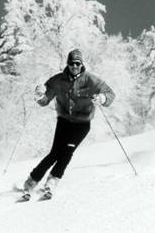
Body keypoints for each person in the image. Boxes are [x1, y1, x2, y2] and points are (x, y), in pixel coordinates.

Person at [23, 49, 115, 197]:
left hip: (82, 123)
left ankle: (52, 182)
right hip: (64, 120)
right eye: (71, 63)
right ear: (67, 64)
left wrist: (102, 98)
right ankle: (31, 182)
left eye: (77, 63)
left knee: (67, 152)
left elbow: (110, 93)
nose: (74, 66)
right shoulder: (58, 80)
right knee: (54, 153)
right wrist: (40, 96)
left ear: (82, 64)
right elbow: (45, 99)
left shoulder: (90, 80)